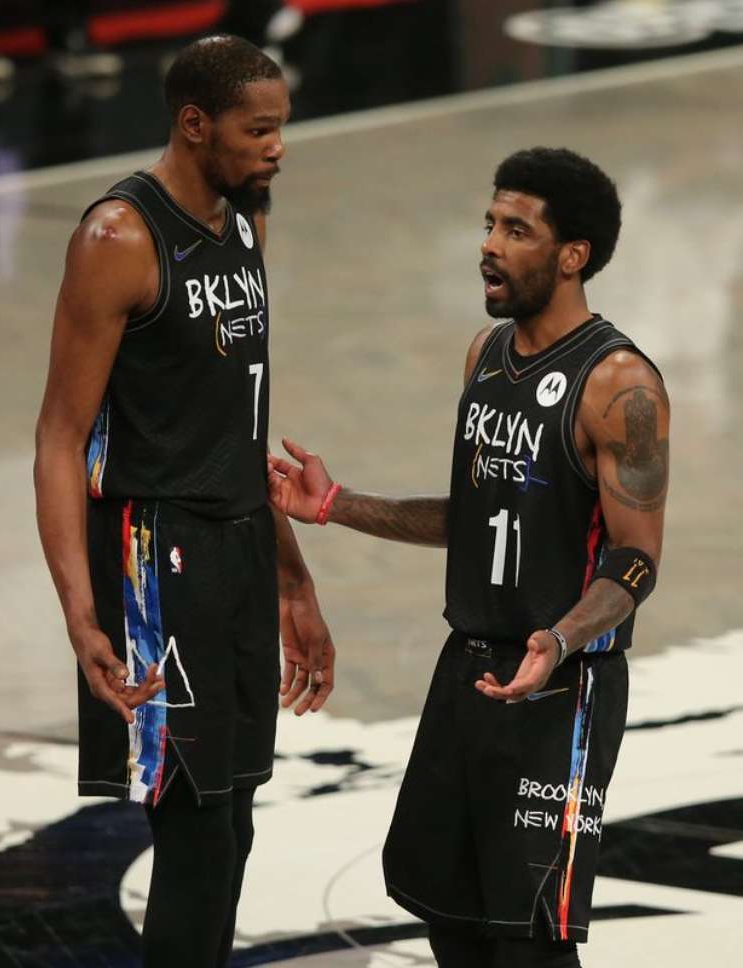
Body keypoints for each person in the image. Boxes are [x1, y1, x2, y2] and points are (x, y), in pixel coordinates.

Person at [267, 146, 669, 967]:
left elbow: (635, 560)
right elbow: (474, 513)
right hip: (468, 672)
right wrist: (337, 506)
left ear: (572, 255)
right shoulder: (484, 359)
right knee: (445, 911)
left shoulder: (619, 384)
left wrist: (558, 640)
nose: (488, 243)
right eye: (489, 223)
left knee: (531, 943)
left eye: (515, 229)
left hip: (561, 691)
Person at [34, 35, 334, 968]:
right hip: (155, 556)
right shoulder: (117, 239)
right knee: (199, 835)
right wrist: (82, 616)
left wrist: (293, 582)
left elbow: (241, 424)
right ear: (193, 124)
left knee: (235, 819)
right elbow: (57, 438)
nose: (277, 146)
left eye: (281, 127)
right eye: (259, 130)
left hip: (240, 546)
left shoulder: (248, 217)